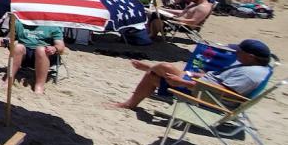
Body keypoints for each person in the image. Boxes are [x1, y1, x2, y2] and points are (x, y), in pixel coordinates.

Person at [112, 39, 274, 109]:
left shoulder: (249, 73)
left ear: (251, 56)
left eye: (239, 51)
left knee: (161, 70)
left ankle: (147, 71)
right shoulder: (253, 66)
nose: (236, 54)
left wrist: (182, 83)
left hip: (208, 97)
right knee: (158, 72)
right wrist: (193, 75)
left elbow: (221, 91)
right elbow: (219, 82)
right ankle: (149, 69)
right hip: (205, 87)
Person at [7, 21, 66, 94]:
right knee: (18, 47)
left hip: (45, 56)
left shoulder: (52, 25)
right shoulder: (19, 23)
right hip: (25, 55)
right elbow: (9, 38)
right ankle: (9, 80)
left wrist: (54, 48)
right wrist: (6, 42)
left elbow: (61, 47)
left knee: (41, 50)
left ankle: (39, 86)